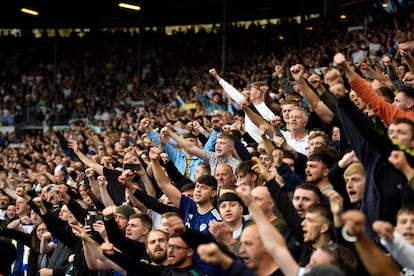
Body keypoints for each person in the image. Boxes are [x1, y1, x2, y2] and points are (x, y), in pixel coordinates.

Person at [209, 68, 276, 143]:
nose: (248, 92)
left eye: (251, 90)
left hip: (263, 145)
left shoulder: (266, 110)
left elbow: (275, 132)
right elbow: (232, 92)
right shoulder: (247, 103)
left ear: (258, 94)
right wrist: (217, 76)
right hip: (249, 141)